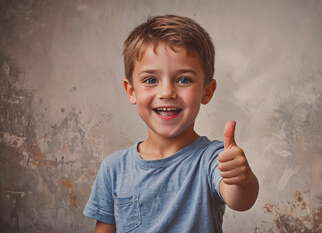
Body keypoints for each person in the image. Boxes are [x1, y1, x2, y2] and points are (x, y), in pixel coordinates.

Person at [83, 14, 259, 233]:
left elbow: (240, 200)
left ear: (207, 91)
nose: (167, 92)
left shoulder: (213, 158)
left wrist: (241, 179)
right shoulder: (114, 168)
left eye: (184, 79)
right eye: (151, 80)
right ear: (131, 91)